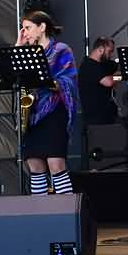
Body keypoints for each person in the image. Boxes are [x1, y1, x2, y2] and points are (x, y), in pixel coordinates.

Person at [17, 11, 79, 196]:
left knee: (55, 163)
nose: (25, 32)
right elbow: (14, 75)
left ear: (42, 27)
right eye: (23, 28)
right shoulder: (27, 53)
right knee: (34, 163)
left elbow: (69, 79)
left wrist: (49, 82)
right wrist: (19, 46)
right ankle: (41, 209)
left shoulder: (61, 49)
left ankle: (66, 209)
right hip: (33, 113)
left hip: (55, 111)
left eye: (28, 28)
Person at [77, 38, 118, 126]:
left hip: (106, 117)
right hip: (95, 120)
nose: (111, 55)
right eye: (109, 52)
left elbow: (117, 66)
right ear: (100, 49)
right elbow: (108, 82)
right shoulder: (88, 66)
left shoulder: (103, 64)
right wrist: (120, 76)